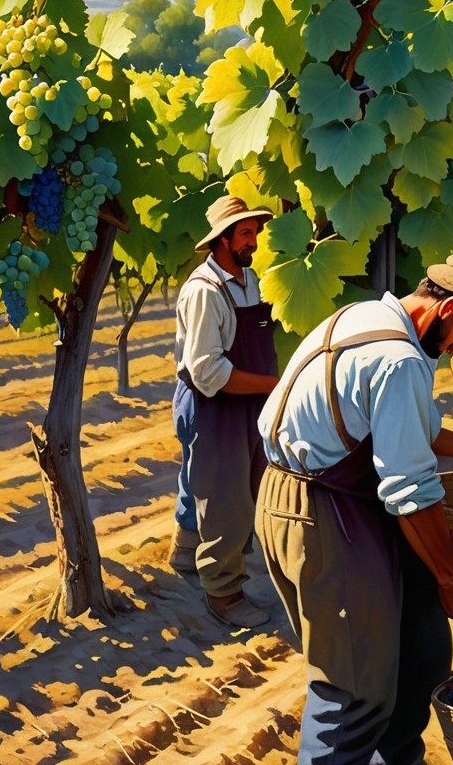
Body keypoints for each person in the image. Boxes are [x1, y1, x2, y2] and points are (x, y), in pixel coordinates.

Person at [255, 255, 453, 765]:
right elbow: (411, 493)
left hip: (328, 502)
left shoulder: (364, 318)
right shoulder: (396, 358)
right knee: (353, 691)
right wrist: (451, 577)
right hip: (324, 516)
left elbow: (396, 425)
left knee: (419, 655)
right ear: (447, 308)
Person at [169, 194, 279, 628]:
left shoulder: (250, 280)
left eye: (255, 232)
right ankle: (224, 594)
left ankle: (184, 553)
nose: (254, 241)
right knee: (225, 500)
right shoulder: (204, 291)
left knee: (205, 481)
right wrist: (274, 385)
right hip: (214, 405)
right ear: (222, 241)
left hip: (247, 401)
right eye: (246, 234)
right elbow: (207, 371)